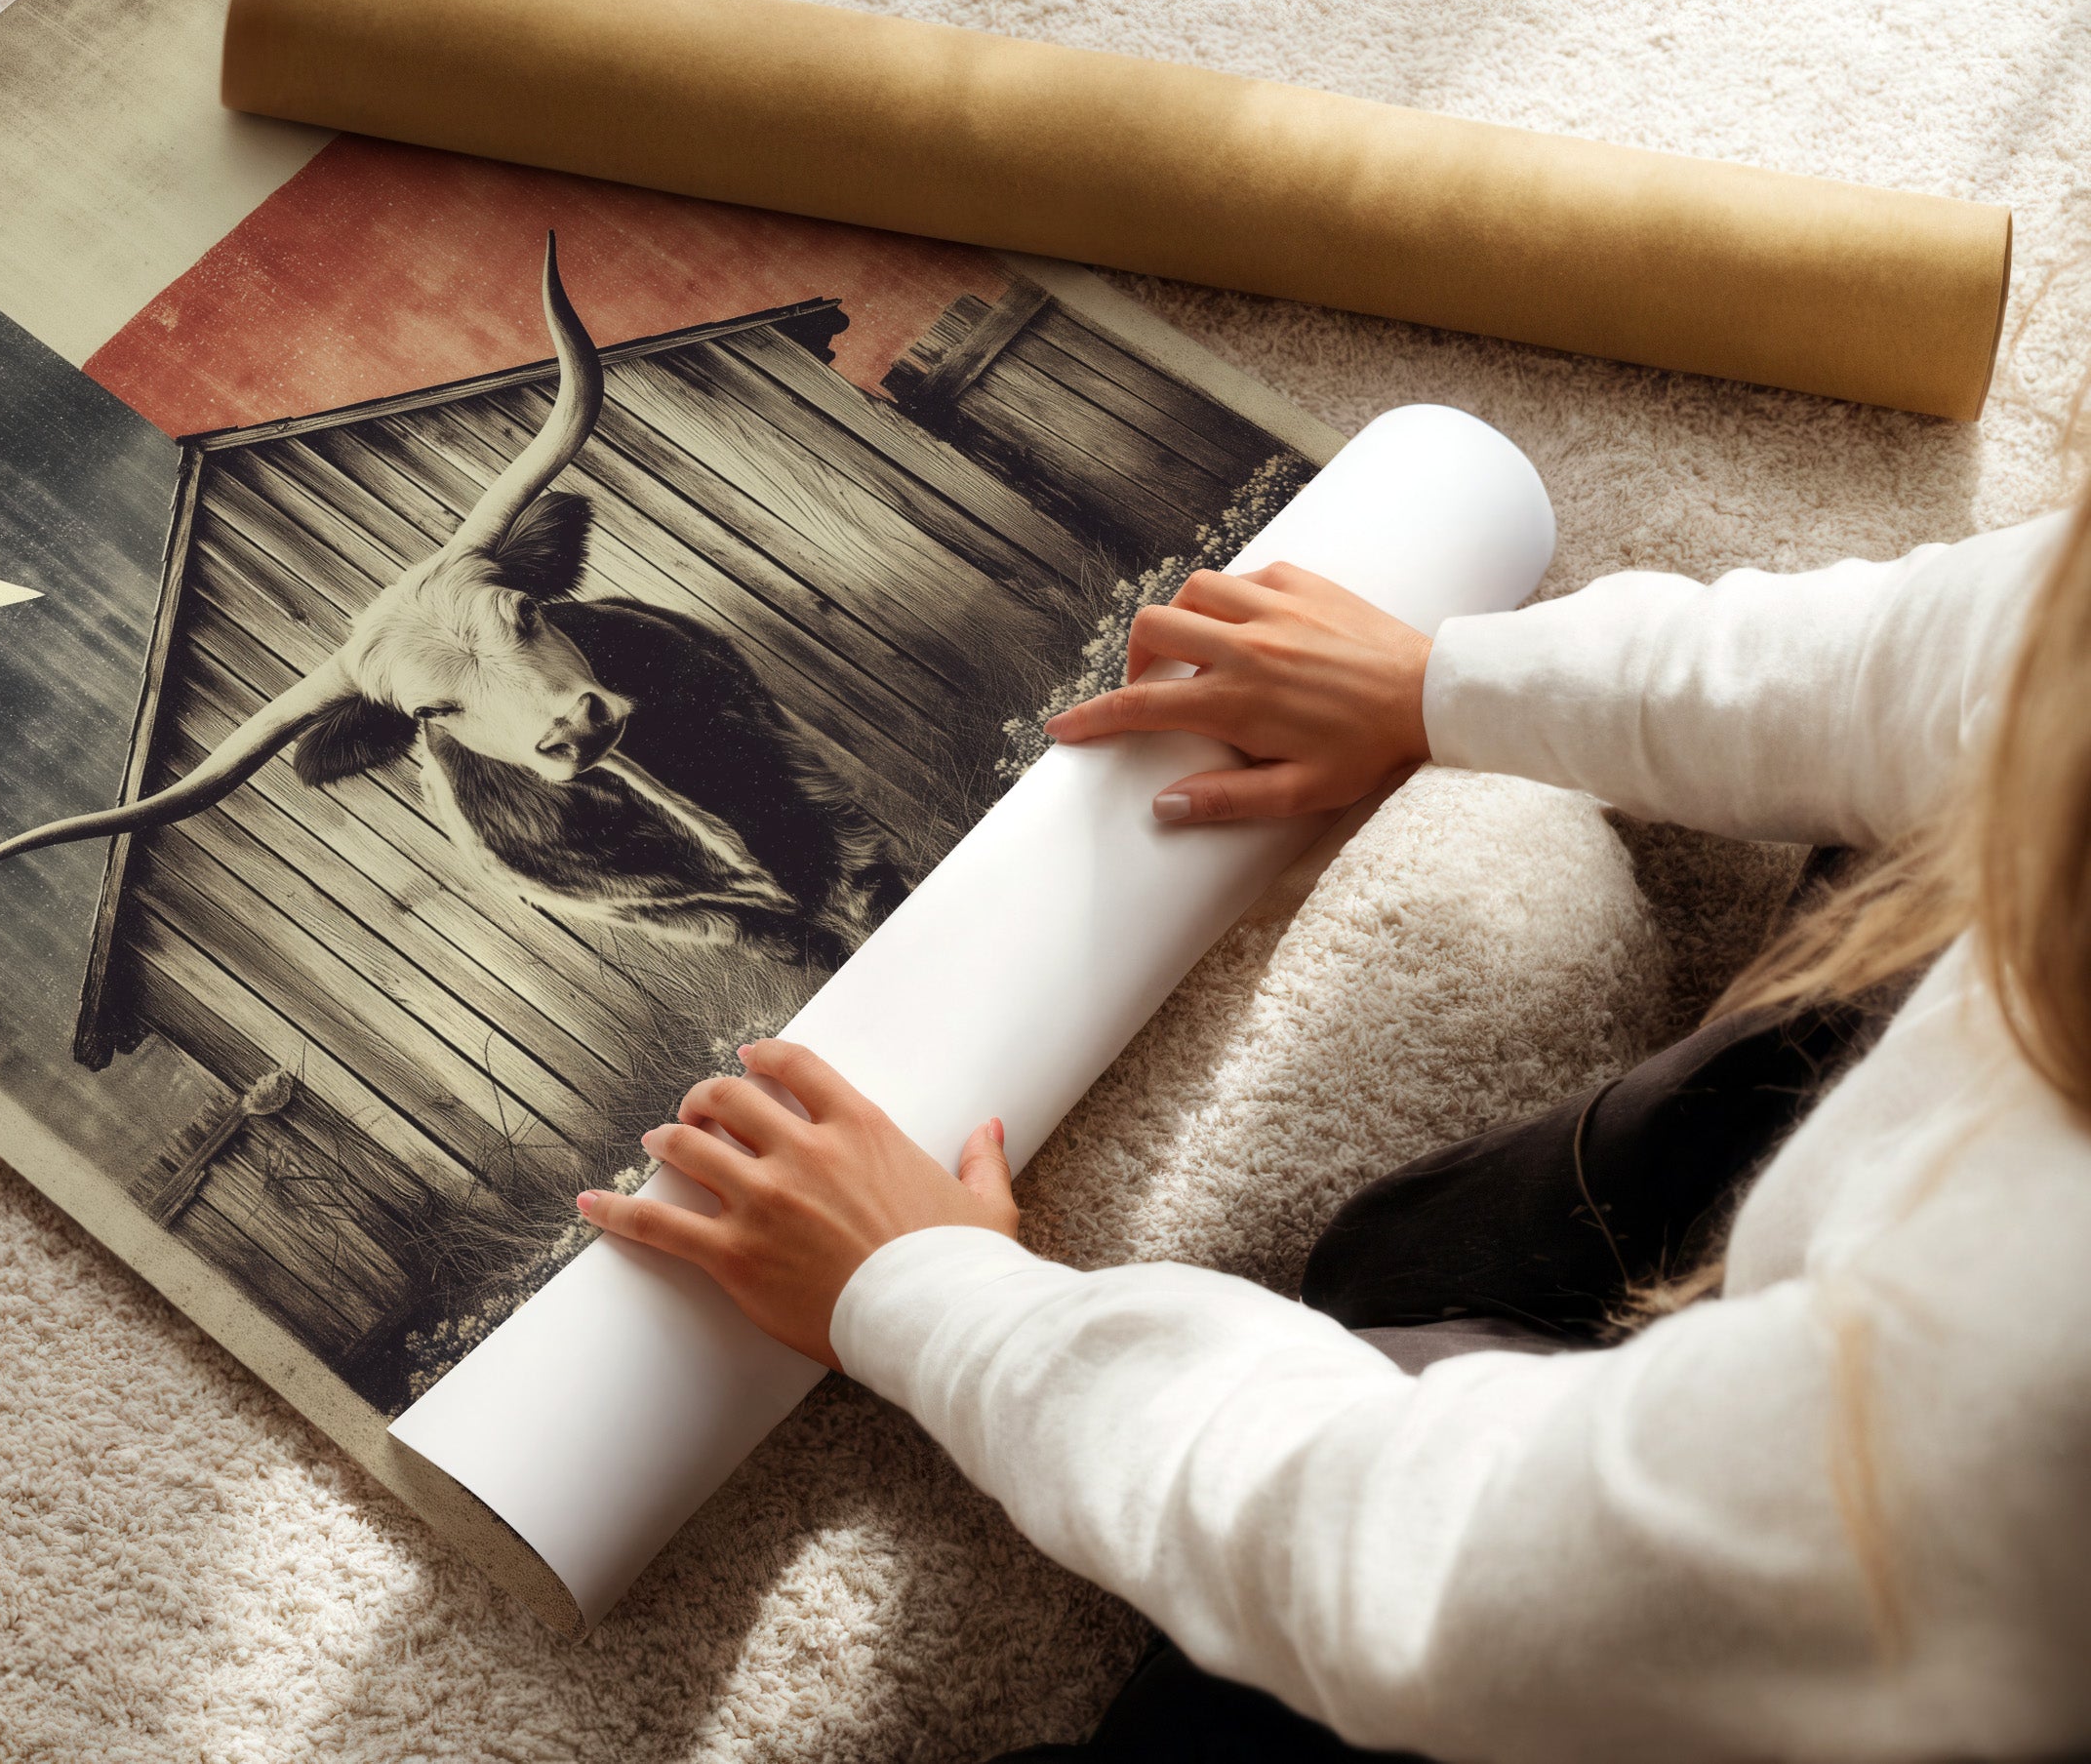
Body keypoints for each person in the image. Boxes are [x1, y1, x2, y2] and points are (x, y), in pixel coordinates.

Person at [576, 499, 2091, 1761]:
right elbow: (1979, 648)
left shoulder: (2016, 1397)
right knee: (1417, 1252)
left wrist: (938, 1301)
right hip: (1896, 1262)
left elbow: (1438, 1568)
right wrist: (1444, 681)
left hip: (1870, 1620)